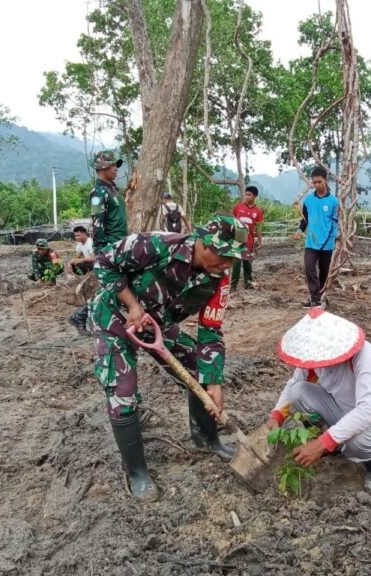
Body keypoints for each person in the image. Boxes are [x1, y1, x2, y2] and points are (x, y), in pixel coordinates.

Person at [88, 215, 251, 500]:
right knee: (122, 391)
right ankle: (137, 472)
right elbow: (103, 262)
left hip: (156, 324)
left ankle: (207, 438)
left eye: (234, 258)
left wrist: (214, 383)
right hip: (114, 315)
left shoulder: (219, 281)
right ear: (203, 243)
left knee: (199, 369)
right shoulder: (156, 245)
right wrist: (132, 304)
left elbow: (210, 332)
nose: (228, 265)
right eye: (224, 255)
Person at [265, 309, 371, 496]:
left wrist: (322, 443)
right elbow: (293, 385)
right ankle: (334, 442)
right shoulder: (314, 357)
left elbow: (368, 410)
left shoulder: (363, 354)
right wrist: (276, 415)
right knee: (299, 392)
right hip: (341, 411)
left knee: (359, 442)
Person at [68, 150, 127, 336]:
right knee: (114, 285)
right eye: (112, 165)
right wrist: (102, 251)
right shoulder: (98, 193)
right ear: (102, 167)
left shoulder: (113, 189)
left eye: (116, 165)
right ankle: (83, 316)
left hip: (120, 243)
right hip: (109, 246)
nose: (115, 169)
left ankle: (86, 316)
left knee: (116, 286)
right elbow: (98, 223)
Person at [294, 166, 339, 308]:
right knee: (309, 268)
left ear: (326, 181)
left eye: (319, 181)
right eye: (314, 182)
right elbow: (305, 219)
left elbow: (335, 223)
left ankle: (320, 297)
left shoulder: (334, 201)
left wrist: (332, 238)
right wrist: (300, 230)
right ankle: (315, 299)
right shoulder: (308, 201)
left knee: (324, 272)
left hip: (327, 243)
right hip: (311, 242)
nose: (317, 185)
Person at [231, 185, 264, 290]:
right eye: (246, 194)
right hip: (237, 240)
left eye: (249, 195)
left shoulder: (258, 212)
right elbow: (232, 222)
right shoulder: (238, 207)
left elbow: (258, 228)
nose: (247, 196)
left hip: (249, 241)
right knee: (236, 263)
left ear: (255, 197)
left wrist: (259, 242)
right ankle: (233, 286)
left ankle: (248, 284)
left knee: (247, 263)